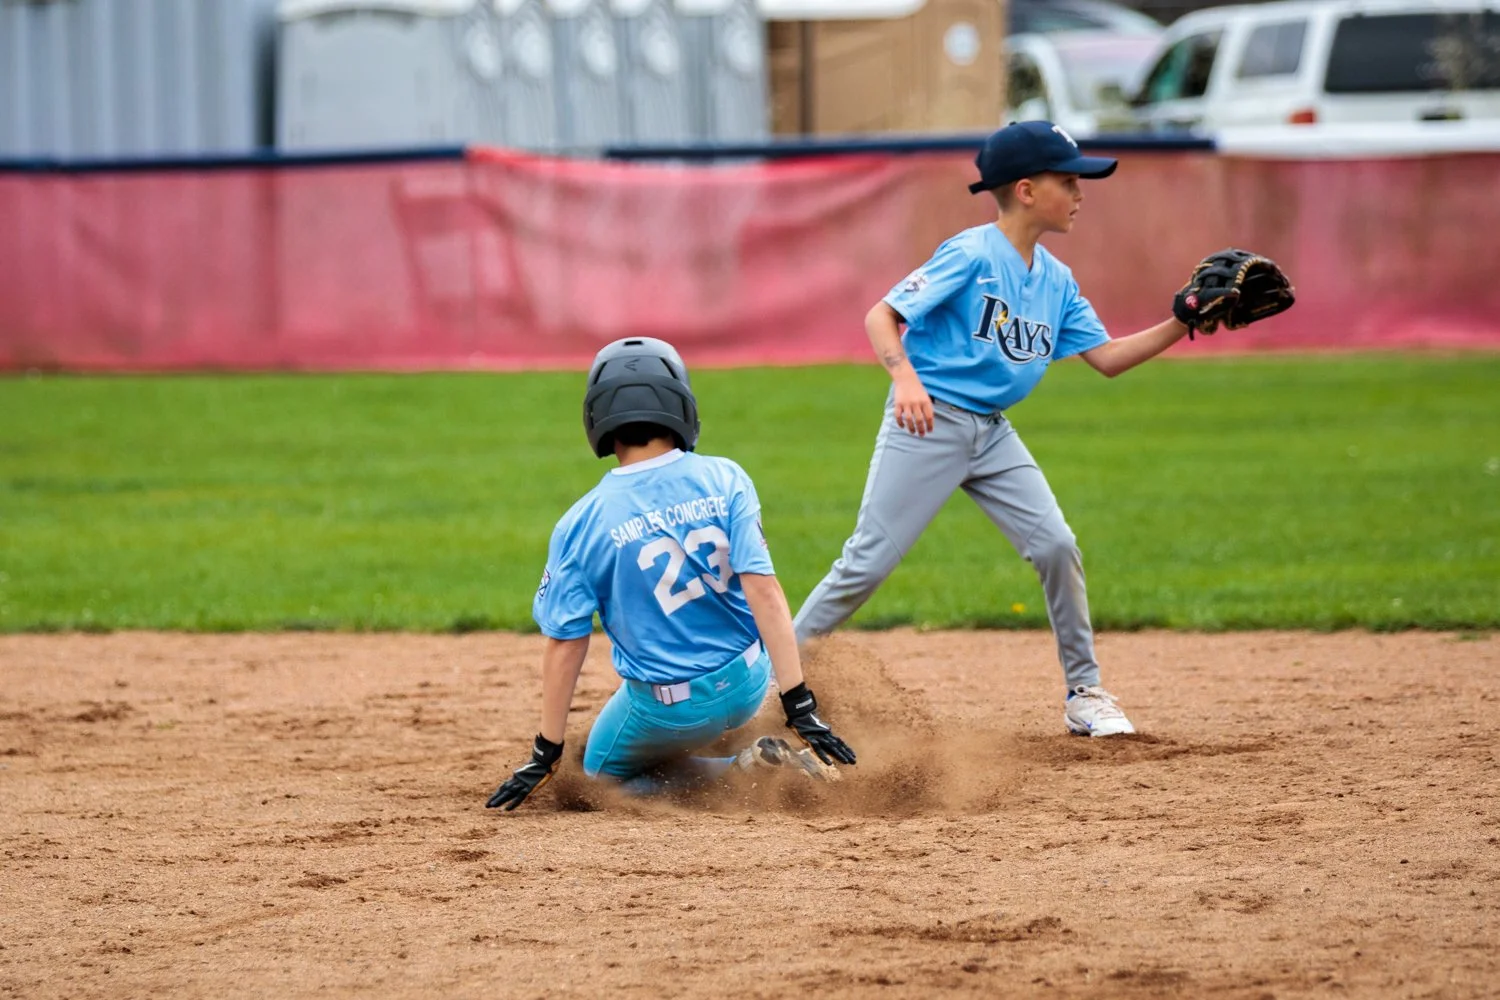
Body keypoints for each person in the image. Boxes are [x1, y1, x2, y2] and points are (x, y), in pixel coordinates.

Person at [794, 120, 1250, 737]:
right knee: (866, 564)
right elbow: (883, 314)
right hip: (929, 423)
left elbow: (1108, 358)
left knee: (1056, 545)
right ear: (1027, 191)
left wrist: (1183, 319)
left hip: (992, 435)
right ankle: (774, 679)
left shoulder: (1057, 280)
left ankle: (1085, 692)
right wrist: (905, 378)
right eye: (1069, 181)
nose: (1081, 192)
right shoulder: (971, 254)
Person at [486, 337, 857, 810]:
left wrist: (546, 752)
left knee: (598, 778)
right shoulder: (726, 477)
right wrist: (798, 704)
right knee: (711, 696)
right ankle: (762, 753)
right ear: (680, 405)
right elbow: (763, 589)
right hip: (750, 683)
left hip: (672, 712)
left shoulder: (581, 523)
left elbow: (566, 644)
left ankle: (741, 770)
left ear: (598, 420)